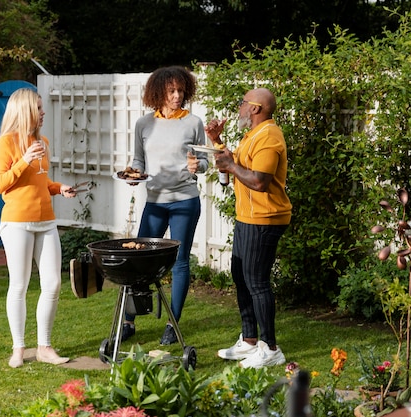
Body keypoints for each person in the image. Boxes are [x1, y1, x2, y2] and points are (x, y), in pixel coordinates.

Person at [122, 66, 217, 345]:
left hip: (185, 201)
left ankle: (172, 324)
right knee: (139, 259)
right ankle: (129, 321)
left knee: (180, 261)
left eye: (180, 91)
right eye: (171, 91)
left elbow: (205, 161)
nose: (177, 96)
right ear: (158, 92)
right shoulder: (144, 124)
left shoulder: (193, 123)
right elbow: (138, 160)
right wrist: (133, 174)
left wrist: (197, 165)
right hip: (155, 201)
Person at [0, 88, 78, 368]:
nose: (43, 113)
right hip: (17, 222)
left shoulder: (43, 141)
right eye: (39, 108)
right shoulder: (5, 144)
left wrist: (58, 187)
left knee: (52, 284)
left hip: (46, 221)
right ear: (25, 111)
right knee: (19, 285)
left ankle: (44, 347)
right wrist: (24, 160)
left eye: (42, 108)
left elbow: (40, 183)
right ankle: (19, 348)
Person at [207, 87, 292, 369]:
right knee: (241, 276)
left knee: (257, 281)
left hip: (265, 219)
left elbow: (259, 181)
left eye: (243, 103)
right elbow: (233, 165)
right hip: (247, 218)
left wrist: (230, 166)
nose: (240, 108)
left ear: (256, 109)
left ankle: (271, 348)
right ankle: (250, 340)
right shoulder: (252, 135)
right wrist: (217, 142)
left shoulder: (269, 137)